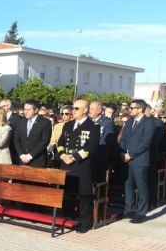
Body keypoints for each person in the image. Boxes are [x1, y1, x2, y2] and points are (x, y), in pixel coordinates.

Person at [57, 100, 100, 233]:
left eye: (76, 108)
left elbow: (91, 147)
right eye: (73, 108)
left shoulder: (93, 126)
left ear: (85, 110)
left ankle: (85, 222)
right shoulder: (68, 125)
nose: (73, 111)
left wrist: (74, 157)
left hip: (81, 165)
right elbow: (60, 142)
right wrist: (63, 155)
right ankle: (68, 218)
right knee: (68, 193)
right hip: (66, 163)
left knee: (83, 195)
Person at [119, 99, 155, 223]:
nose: (130, 109)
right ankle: (129, 209)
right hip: (127, 158)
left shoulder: (149, 123)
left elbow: (146, 142)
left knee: (141, 186)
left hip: (139, 160)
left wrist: (132, 154)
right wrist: (124, 152)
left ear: (140, 109)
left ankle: (141, 213)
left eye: (132, 107)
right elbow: (123, 139)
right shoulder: (129, 122)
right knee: (128, 185)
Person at [13, 99, 52, 167]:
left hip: (37, 161)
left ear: (36, 110)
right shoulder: (20, 122)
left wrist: (31, 155)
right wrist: (21, 154)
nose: (25, 112)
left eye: (28, 110)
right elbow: (16, 139)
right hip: (22, 160)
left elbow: (45, 141)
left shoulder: (45, 122)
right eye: (25, 109)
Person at [89, 100, 116, 183]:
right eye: (89, 108)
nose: (89, 111)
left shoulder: (107, 122)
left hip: (99, 153)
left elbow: (105, 140)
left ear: (99, 111)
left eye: (92, 109)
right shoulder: (87, 120)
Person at [0, 98, 21, 164]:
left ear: (8, 106)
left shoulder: (17, 118)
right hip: (0, 150)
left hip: (12, 149)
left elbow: (17, 134)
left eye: (2, 106)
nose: (0, 108)